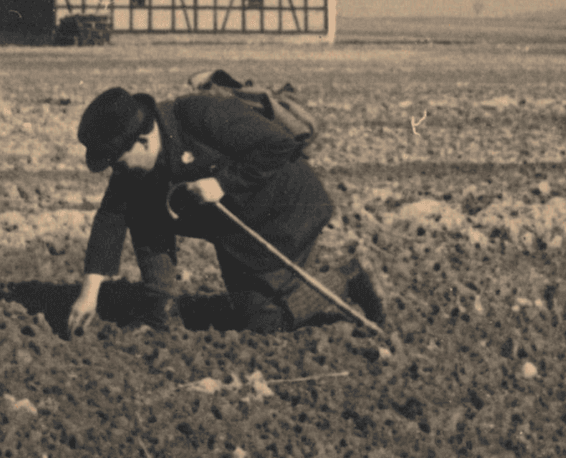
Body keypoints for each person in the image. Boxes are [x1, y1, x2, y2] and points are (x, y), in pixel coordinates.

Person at [68, 86, 384, 336]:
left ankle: (348, 277)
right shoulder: (134, 168)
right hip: (234, 228)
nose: (117, 172)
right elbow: (111, 216)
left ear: (142, 140)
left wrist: (222, 183)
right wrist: (88, 294)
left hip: (283, 211)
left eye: (118, 162)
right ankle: (156, 309)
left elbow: (279, 146)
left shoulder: (200, 114)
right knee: (140, 204)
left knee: (263, 322)